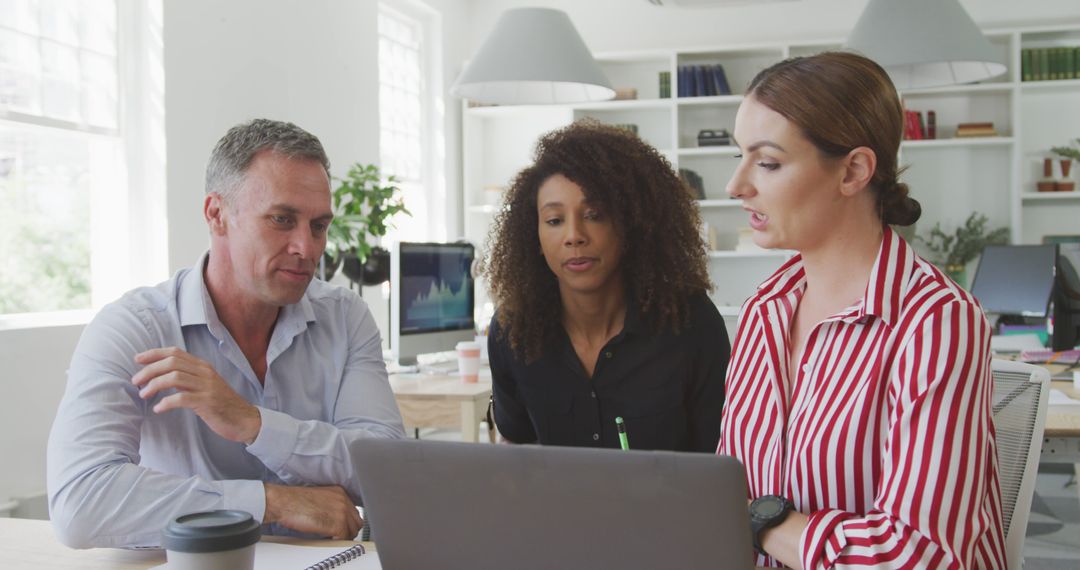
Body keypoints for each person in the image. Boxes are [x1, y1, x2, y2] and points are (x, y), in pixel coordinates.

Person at [47, 119, 406, 548]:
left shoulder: (345, 317)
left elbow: (388, 472)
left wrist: (253, 424)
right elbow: (81, 503)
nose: (306, 248)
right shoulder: (133, 330)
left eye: (318, 226)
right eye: (281, 219)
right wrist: (269, 502)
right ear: (217, 215)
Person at [717, 52, 1005, 568]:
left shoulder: (937, 321)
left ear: (853, 171)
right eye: (740, 156)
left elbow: (919, 555)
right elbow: (729, 492)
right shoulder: (764, 312)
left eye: (767, 162)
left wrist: (759, 522)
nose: (736, 186)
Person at [483, 120, 729, 452]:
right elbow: (516, 451)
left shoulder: (691, 322)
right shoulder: (512, 330)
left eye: (595, 214)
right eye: (554, 220)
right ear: (535, 237)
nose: (573, 236)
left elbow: (719, 460)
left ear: (630, 224)